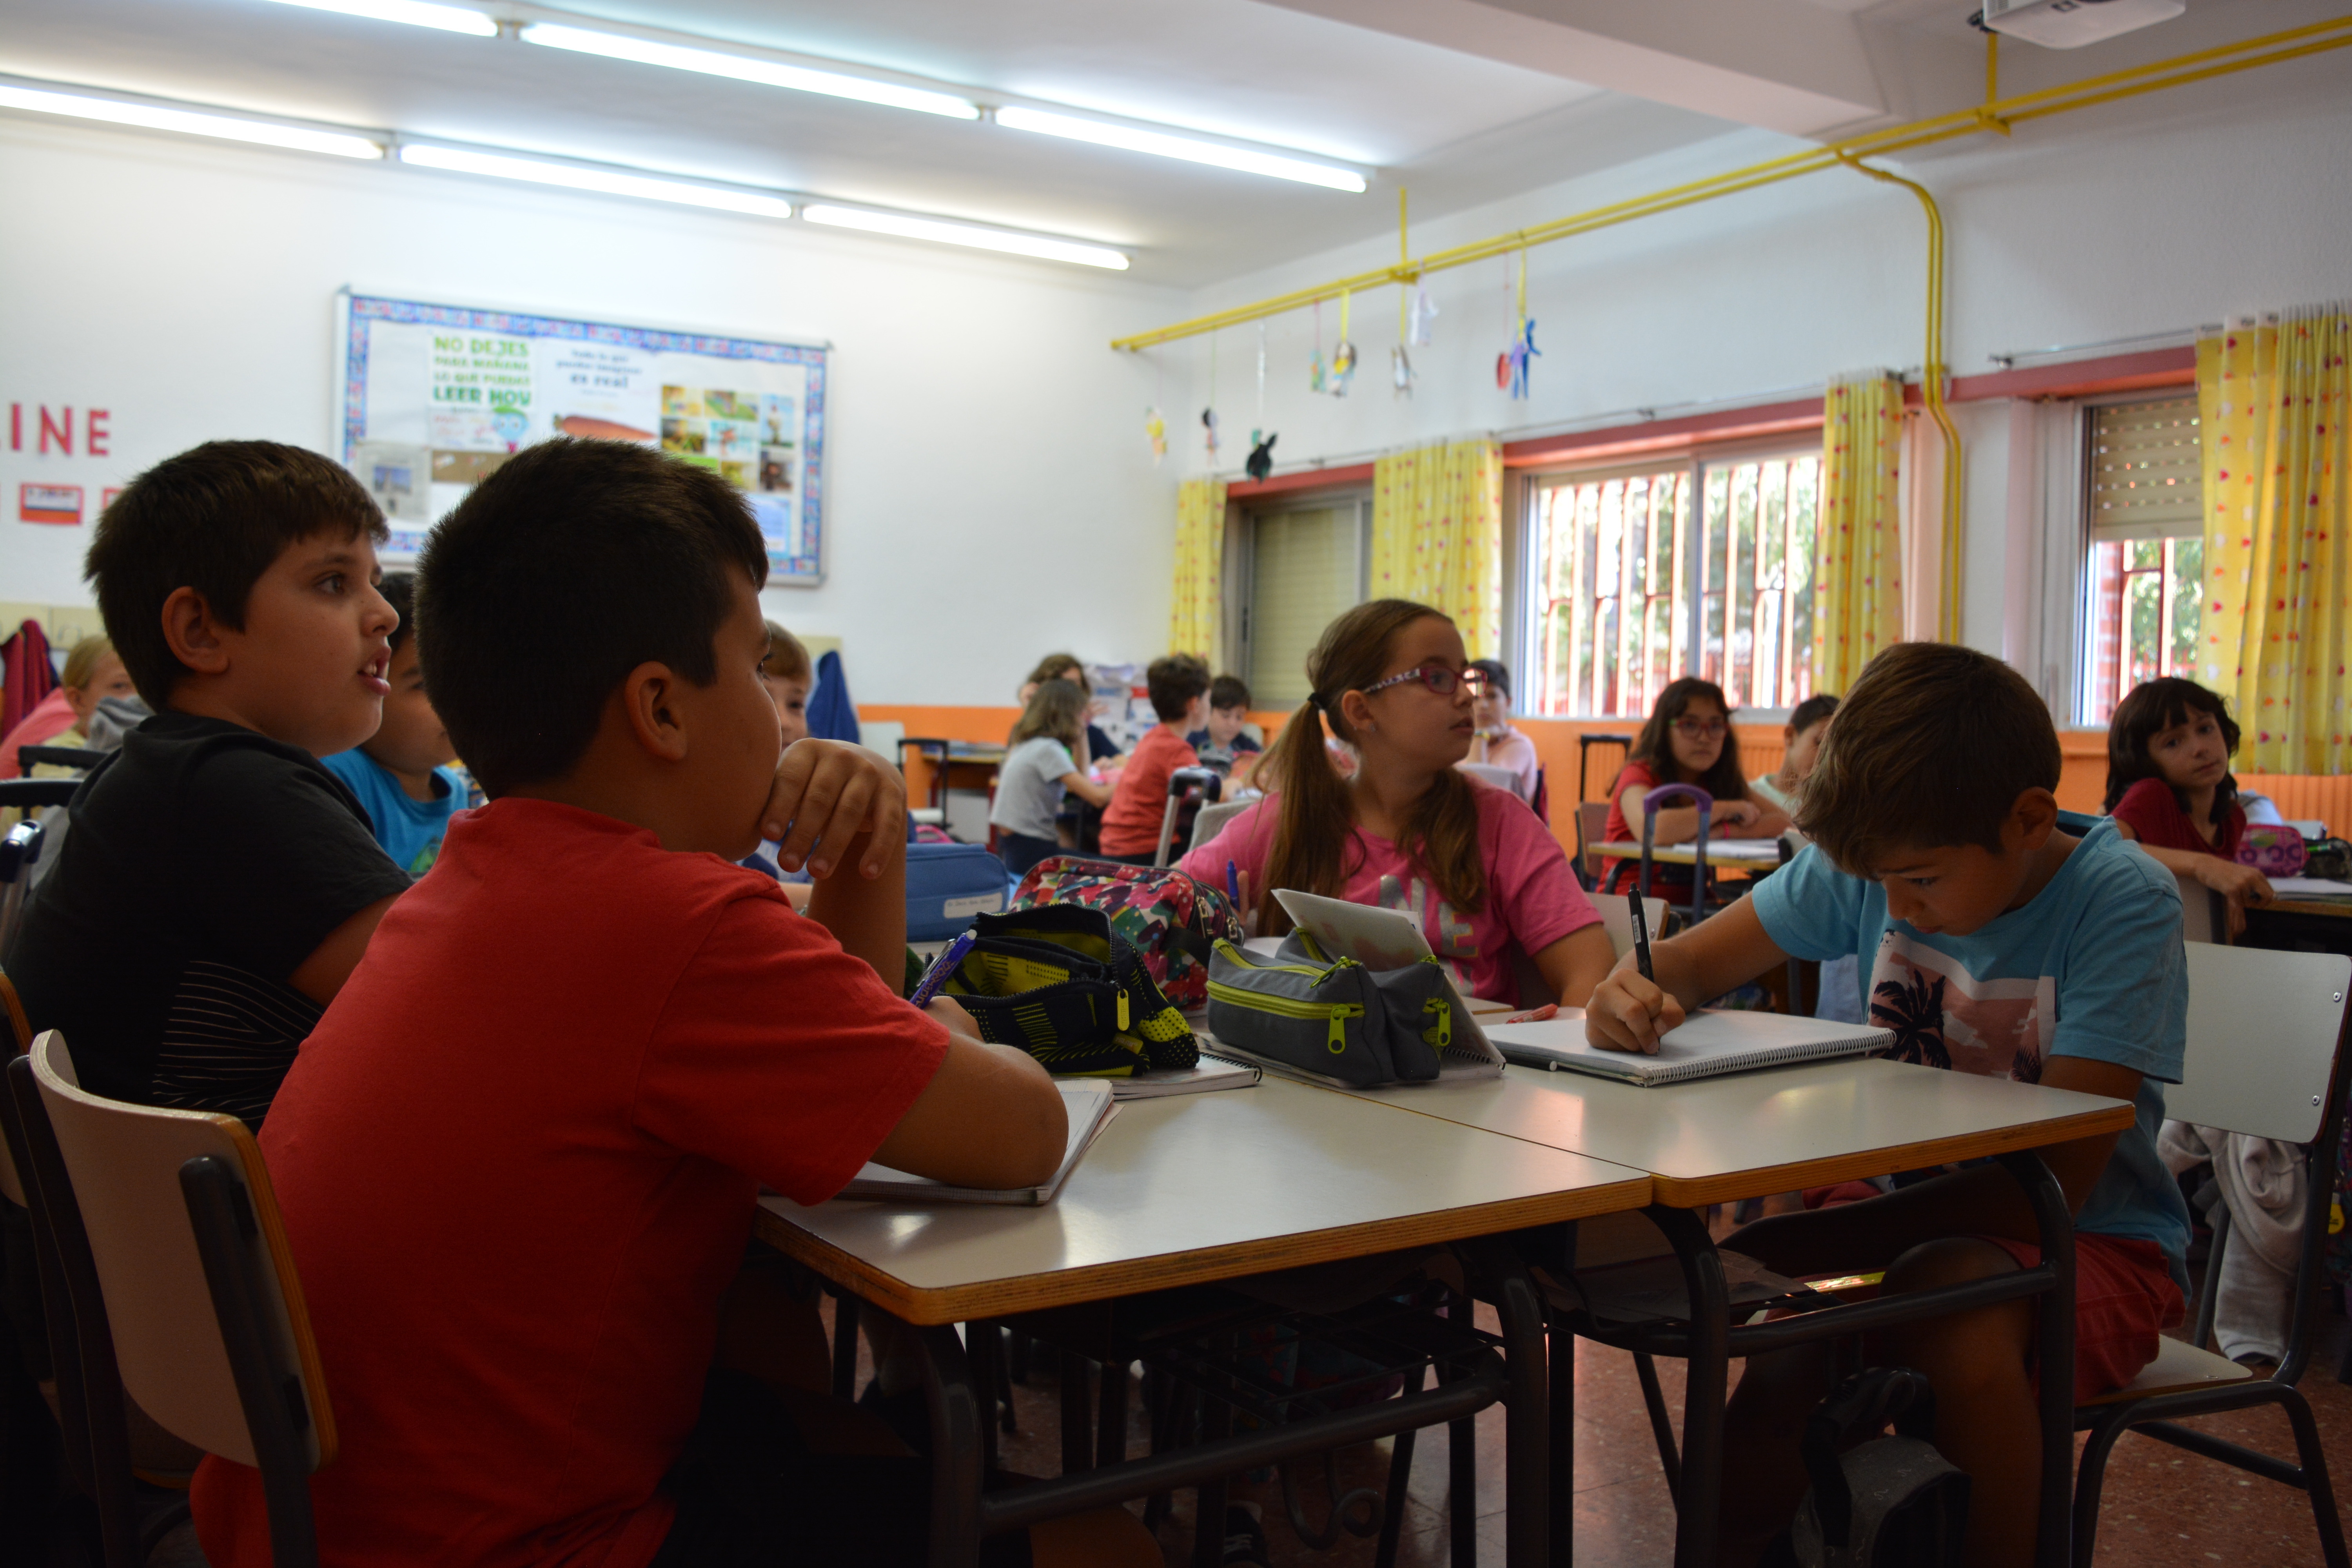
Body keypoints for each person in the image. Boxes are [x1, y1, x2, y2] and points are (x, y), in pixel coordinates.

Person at [190, 439, 1151, 1568]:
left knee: (792, 1369)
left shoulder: (476, 875)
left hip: (321, 1521)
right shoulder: (676, 926)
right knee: (1105, 1543)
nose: (784, 721)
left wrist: (868, 847)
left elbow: (852, 1068)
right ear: (660, 708)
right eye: (753, 668)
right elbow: (1023, 1129)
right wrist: (939, 1033)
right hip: (515, 1545)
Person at [1585, 642, 2190, 1568]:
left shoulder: (2121, 899)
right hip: (1899, 1218)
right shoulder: (1885, 852)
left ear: (2029, 819)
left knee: (1948, 1304)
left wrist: (1801, 1243)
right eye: (1879, 883)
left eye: (1922, 880)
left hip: (2095, 1248)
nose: (1897, 907)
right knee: (1791, 1359)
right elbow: (1694, 961)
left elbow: (2049, 1186)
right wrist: (1630, 985)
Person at [4, 441, 414, 1127]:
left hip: (146, 1189)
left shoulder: (168, 770)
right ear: (200, 631)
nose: (386, 614)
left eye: (374, 580)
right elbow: (459, 1008)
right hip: (206, 1194)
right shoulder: (231, 785)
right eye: (333, 583)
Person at [1181, 600, 1611, 1007]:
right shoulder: (1289, 820)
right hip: (1314, 1056)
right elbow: (1161, 902)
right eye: (1437, 678)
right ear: (1362, 711)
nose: (1468, 697)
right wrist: (1217, 924)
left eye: (1466, 677)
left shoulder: (1502, 823)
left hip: (1469, 1059)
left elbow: (1591, 976)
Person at [319, 573, 465, 877]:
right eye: (424, 685)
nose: (457, 699)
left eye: (463, 679)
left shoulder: (453, 788)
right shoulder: (340, 777)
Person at [1598, 677, 1791, 904]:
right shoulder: (1638, 773)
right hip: (1633, 907)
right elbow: (1653, 829)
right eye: (1689, 725)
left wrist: (1724, 830)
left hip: (1696, 907)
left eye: (1716, 726)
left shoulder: (1719, 779)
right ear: (1664, 729)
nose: (1704, 738)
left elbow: (1785, 823)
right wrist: (1722, 809)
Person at [2103, 677, 2272, 936]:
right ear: (2144, 761)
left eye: (2206, 729)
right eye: (2173, 742)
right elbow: (2106, 850)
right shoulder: (2152, 795)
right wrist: (2203, 865)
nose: (2200, 749)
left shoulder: (2233, 817)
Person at [991, 679, 1112, 877]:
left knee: (1100, 863)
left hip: (1018, 848)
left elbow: (1084, 779)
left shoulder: (1027, 743)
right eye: (1080, 713)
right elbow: (1097, 798)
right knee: (1116, 871)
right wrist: (1130, 778)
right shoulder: (1048, 750)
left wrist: (1082, 730)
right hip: (1033, 852)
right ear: (1068, 714)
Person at [1097, 653, 1211, 861]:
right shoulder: (1176, 748)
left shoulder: (1154, 737)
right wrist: (1236, 783)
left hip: (1116, 845)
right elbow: (1214, 791)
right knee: (1210, 857)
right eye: (1209, 700)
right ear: (1195, 704)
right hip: (1144, 850)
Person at [0, 635, 138, 778]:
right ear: (78, 700)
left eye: (144, 686)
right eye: (120, 686)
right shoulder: (59, 761)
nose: (139, 699)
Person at [1014, 651, 1121, 769]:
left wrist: (1111, 764)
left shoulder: (1090, 731)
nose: (1067, 691)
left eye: (1074, 684)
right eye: (1060, 685)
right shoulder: (1036, 736)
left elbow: (1123, 762)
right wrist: (1030, 710)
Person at [1749, 691, 1838, 818]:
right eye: (1819, 742)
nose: (1827, 756)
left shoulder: (1830, 807)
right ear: (1790, 736)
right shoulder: (1750, 796)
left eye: (1835, 749)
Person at [1462, 658, 1540, 799]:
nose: (1483, 705)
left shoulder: (1519, 745)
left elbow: (1481, 796)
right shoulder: (1461, 740)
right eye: (1475, 698)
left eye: (1492, 696)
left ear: (1508, 703)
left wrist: (1480, 736)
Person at [1184, 673, 1263, 783]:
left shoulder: (1245, 746)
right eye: (1225, 716)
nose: (1232, 723)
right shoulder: (1192, 742)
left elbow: (1264, 762)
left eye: (1239, 717)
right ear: (1209, 711)